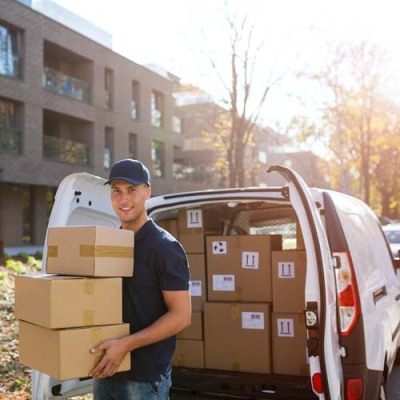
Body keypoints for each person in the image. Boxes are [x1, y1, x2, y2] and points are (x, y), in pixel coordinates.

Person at [89, 159, 192, 400]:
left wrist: (125, 344)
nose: (123, 199)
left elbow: (181, 316)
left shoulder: (165, 248)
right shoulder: (108, 245)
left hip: (144, 379)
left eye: (131, 190)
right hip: (106, 370)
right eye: (117, 191)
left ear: (147, 192)